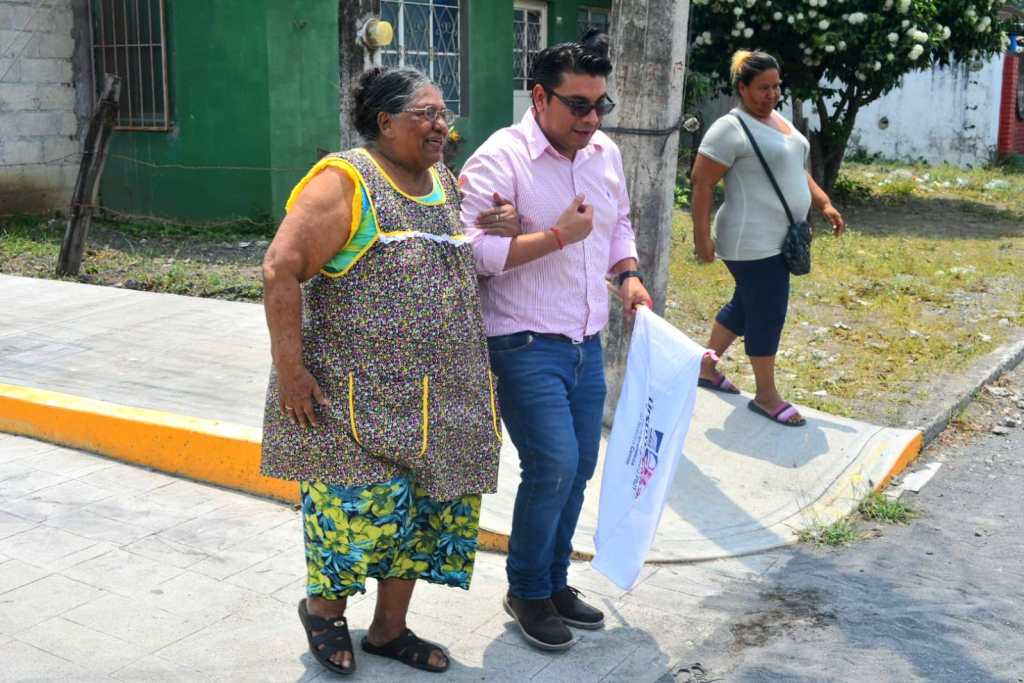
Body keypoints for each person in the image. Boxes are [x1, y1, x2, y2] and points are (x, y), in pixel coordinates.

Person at [260, 66, 501, 675]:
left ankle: (389, 631)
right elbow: (280, 268)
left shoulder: (441, 180)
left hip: (441, 399)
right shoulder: (345, 180)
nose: (442, 126)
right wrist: (291, 371)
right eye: (427, 114)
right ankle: (325, 614)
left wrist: (494, 225)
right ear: (386, 121)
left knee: (422, 515)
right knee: (351, 514)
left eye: (444, 113)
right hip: (354, 398)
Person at [459, 30, 651, 652]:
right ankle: (526, 590)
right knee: (554, 464)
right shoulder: (500, 159)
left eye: (600, 105)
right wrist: (558, 237)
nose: (591, 119)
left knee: (581, 465)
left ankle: (553, 581)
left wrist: (628, 273)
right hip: (521, 340)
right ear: (539, 97)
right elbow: (474, 255)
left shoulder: (603, 153)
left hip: (584, 340)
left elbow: (619, 222)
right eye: (578, 105)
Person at [690, 49, 845, 427]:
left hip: (779, 236)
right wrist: (701, 239)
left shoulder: (778, 120)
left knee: (745, 305)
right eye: (763, 88)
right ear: (742, 88)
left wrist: (823, 202)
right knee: (768, 312)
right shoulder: (730, 129)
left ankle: (705, 368)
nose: (772, 94)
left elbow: (794, 167)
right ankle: (765, 396)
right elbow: (701, 183)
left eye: (776, 86)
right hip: (750, 240)